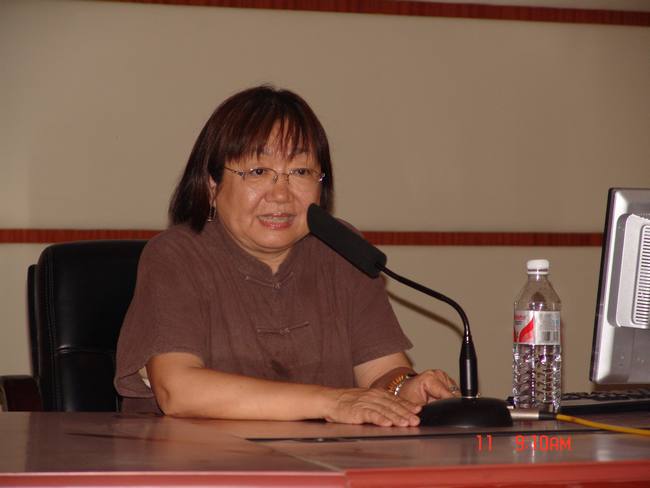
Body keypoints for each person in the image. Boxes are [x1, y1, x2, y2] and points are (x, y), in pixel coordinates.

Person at [114, 85, 459, 427]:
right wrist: (333, 402)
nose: (281, 195)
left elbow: (382, 371)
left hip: (326, 458)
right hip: (200, 458)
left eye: (300, 172)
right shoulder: (177, 255)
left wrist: (406, 390)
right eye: (258, 172)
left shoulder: (341, 250)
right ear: (212, 185)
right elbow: (178, 390)